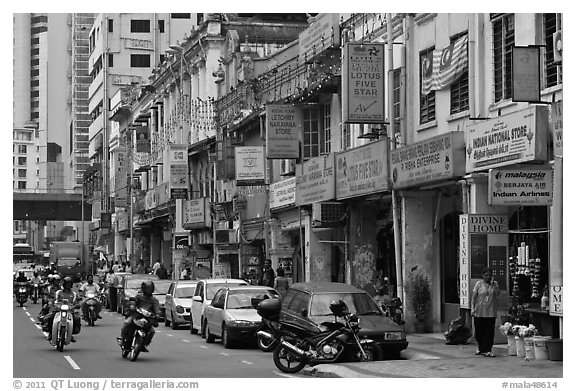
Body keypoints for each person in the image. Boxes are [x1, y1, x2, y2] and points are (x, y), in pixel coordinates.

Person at [119, 280, 160, 353]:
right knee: (126, 323)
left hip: (146, 318)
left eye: (150, 289)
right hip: (136, 315)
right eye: (147, 289)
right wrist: (132, 306)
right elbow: (133, 303)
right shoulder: (139, 296)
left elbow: (157, 309)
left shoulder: (154, 300)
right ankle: (122, 339)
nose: (149, 291)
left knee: (152, 331)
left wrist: (157, 314)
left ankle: (144, 344)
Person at [470, 267, 500, 357]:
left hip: (491, 311)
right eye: (486, 275)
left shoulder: (494, 284)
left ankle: (487, 349)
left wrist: (492, 285)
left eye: (490, 275)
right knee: (479, 331)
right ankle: (480, 347)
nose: (488, 277)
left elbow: (497, 293)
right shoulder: (478, 284)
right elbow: (474, 297)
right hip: (479, 311)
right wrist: (472, 308)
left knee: (489, 332)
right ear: (482, 276)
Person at [43, 277, 81, 342]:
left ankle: (71, 333)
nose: (68, 285)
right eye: (66, 284)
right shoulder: (59, 292)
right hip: (58, 310)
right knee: (50, 317)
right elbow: (55, 300)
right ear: (64, 284)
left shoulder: (73, 294)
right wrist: (55, 304)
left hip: (69, 311)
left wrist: (75, 306)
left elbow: (75, 302)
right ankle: (50, 333)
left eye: (69, 284)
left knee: (76, 319)